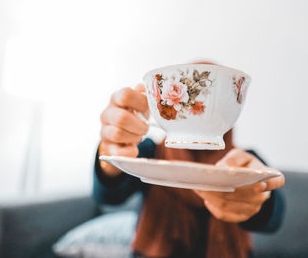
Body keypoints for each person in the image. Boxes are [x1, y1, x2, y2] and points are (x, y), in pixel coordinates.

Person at [93, 65, 285, 258]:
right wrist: (112, 148)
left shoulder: (244, 162)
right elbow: (108, 197)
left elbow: (274, 217)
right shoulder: (150, 152)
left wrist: (259, 199)